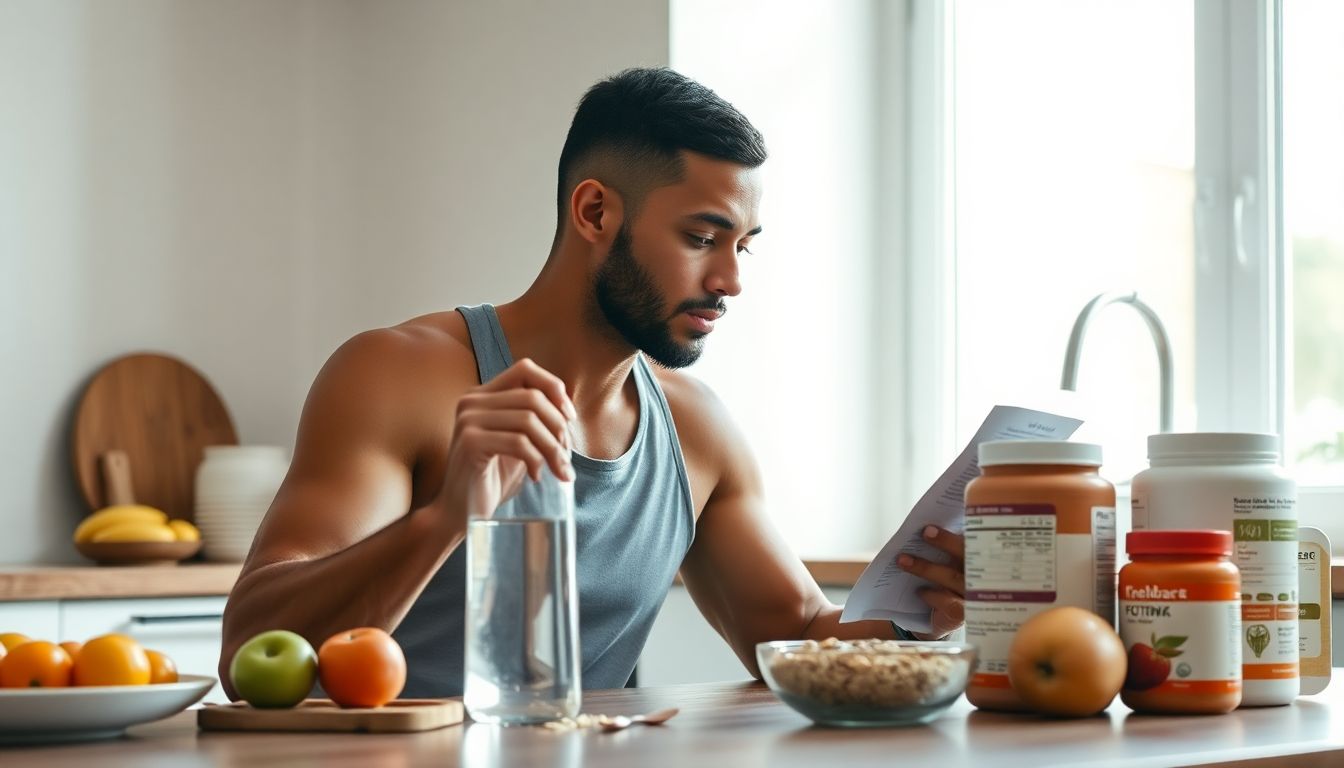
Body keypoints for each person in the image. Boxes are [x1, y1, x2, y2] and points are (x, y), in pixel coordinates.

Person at [219, 67, 966, 698]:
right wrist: (447, 518)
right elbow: (252, 647)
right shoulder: (398, 374)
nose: (731, 279)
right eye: (702, 238)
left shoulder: (697, 431)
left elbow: (798, 635)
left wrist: (917, 607)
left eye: (743, 246)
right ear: (596, 211)